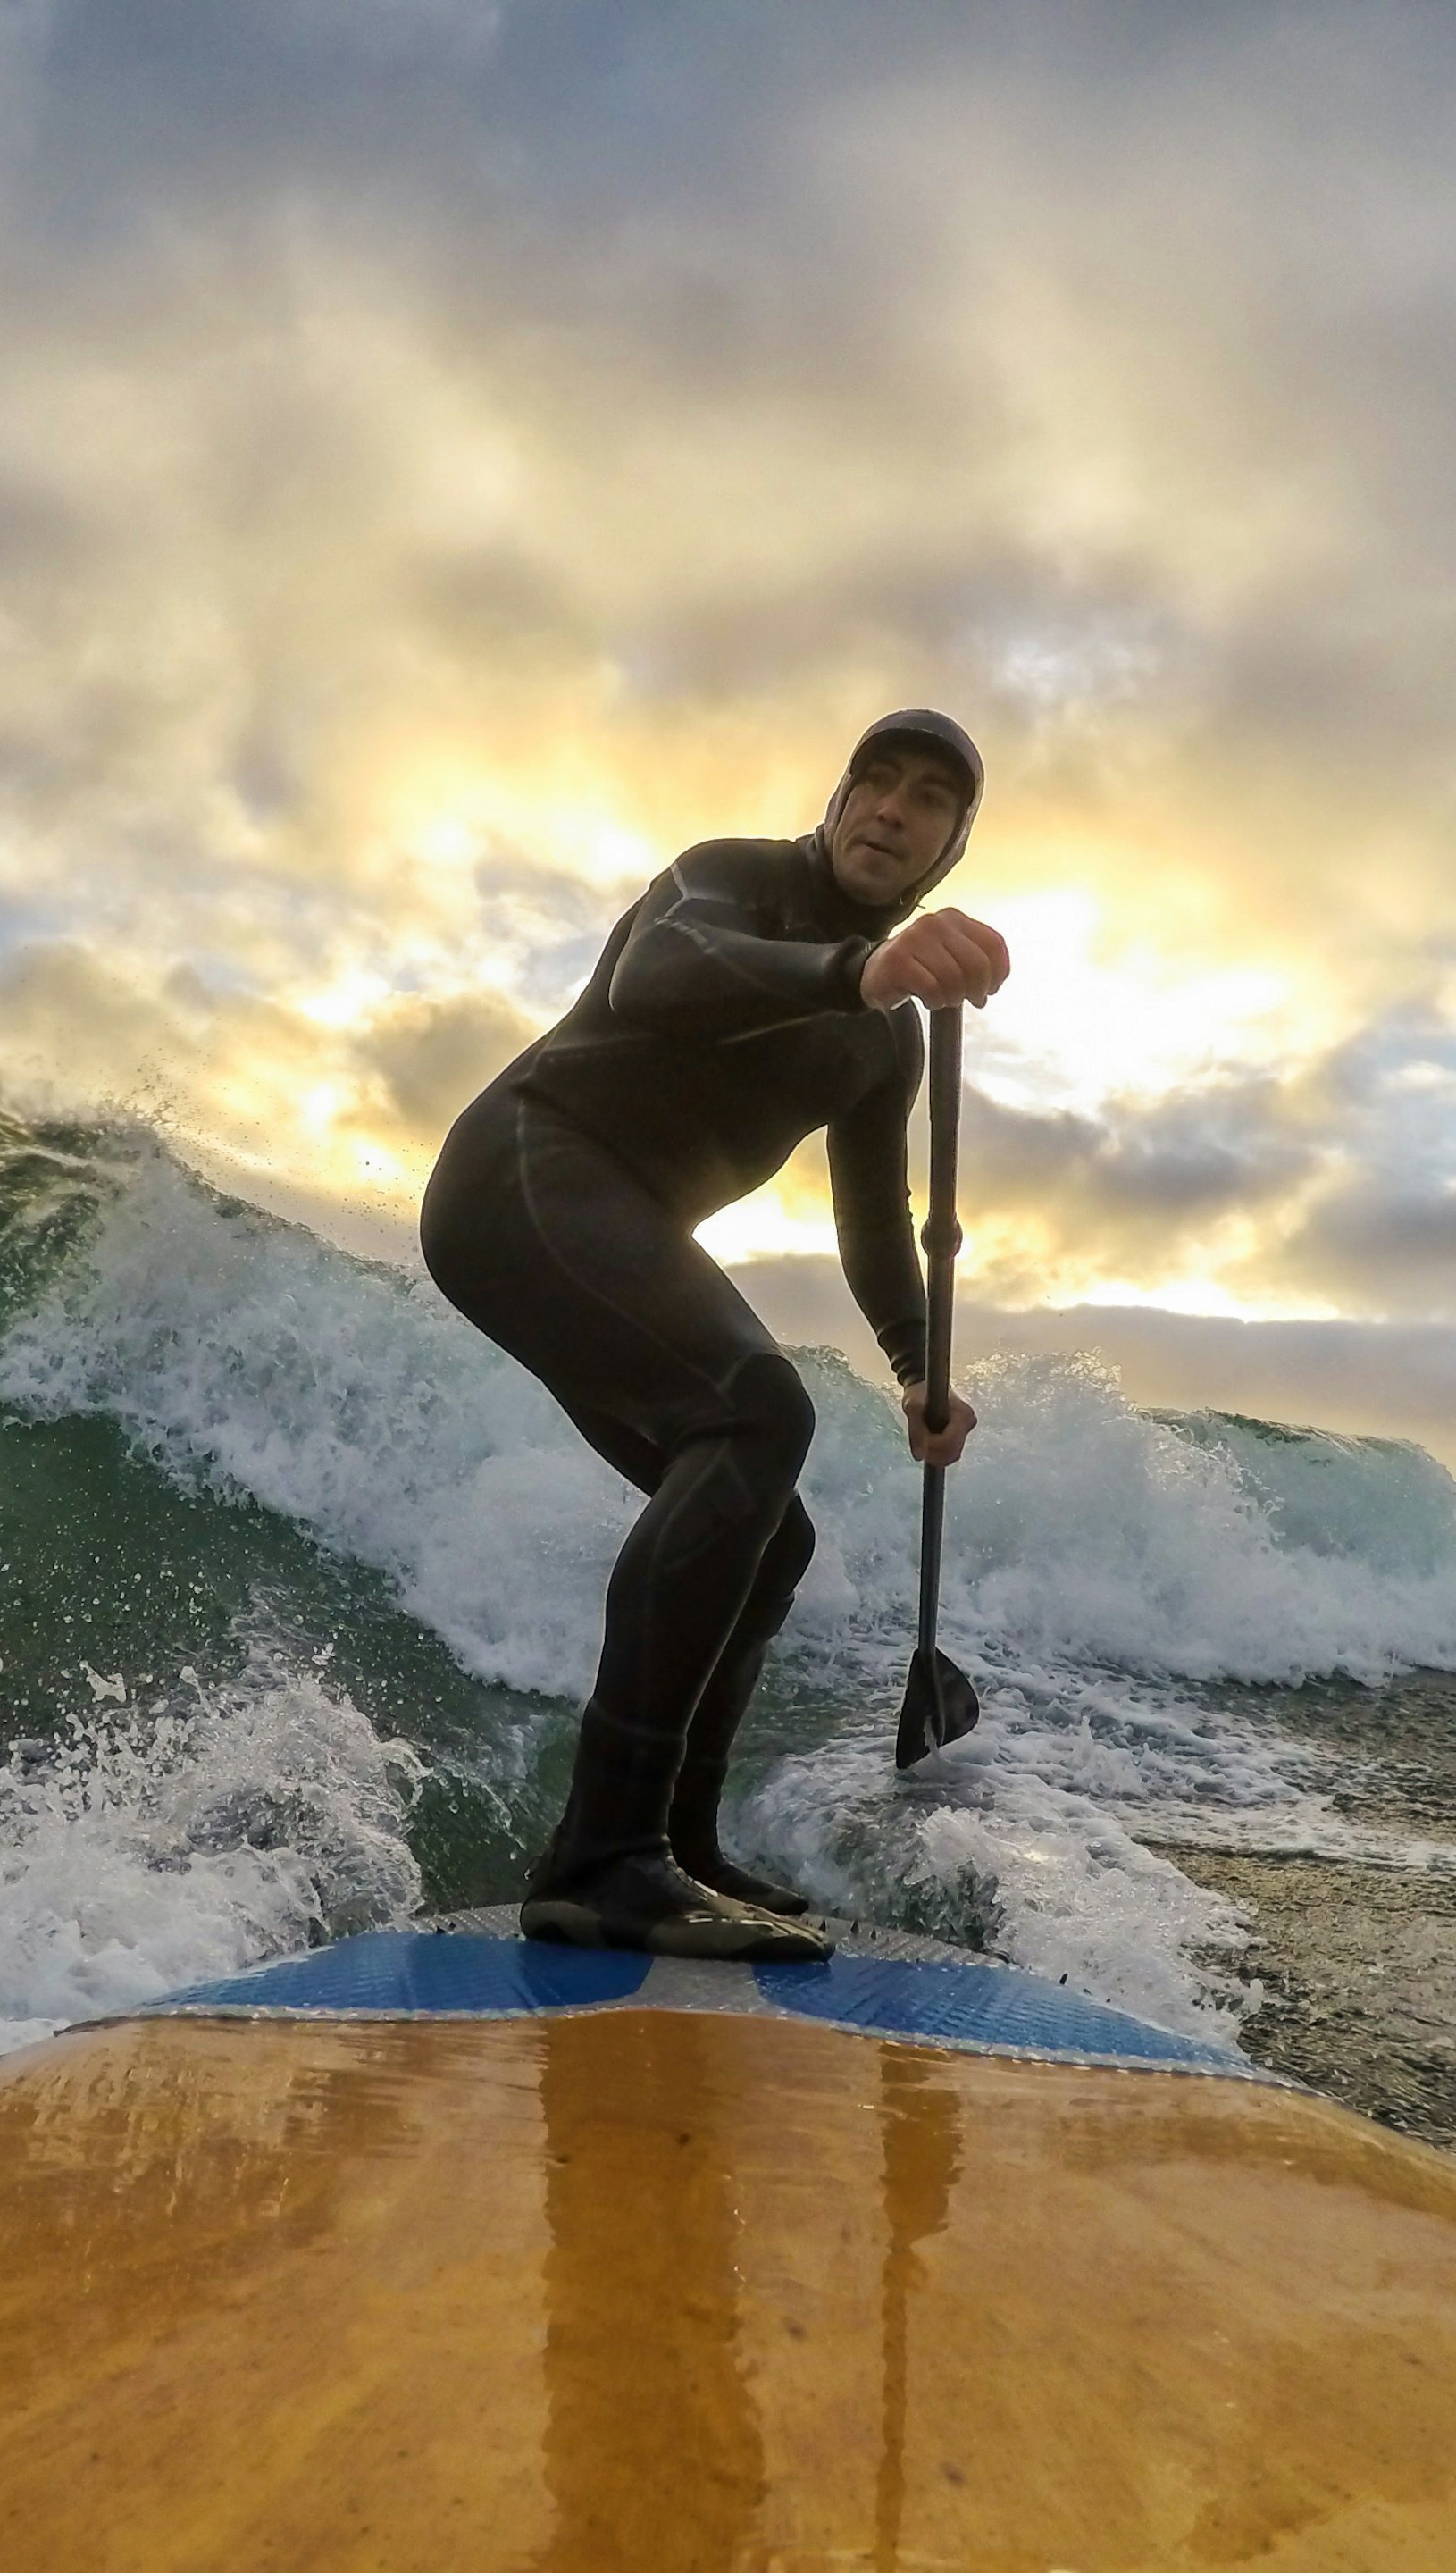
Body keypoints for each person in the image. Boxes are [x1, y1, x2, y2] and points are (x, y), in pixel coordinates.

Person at [419, 711, 1013, 1961]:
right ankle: (601, 1857)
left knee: (771, 1533)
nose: (891, 811)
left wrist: (917, 1369)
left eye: (928, 803)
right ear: (840, 798)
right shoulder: (728, 879)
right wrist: (858, 971)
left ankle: (675, 1846)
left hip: (615, 1222)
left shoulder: (881, 1037)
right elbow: (659, 976)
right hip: (524, 1170)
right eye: (876, 783)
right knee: (759, 1407)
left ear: (948, 849)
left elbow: (873, 1220)